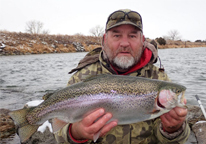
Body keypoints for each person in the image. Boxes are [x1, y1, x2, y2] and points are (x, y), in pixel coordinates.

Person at [55, 9, 190, 144]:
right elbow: (58, 132)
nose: (124, 43)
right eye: (117, 36)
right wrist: (76, 133)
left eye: (132, 36)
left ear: (142, 40)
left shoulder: (158, 78)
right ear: (104, 40)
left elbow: (176, 141)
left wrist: (173, 129)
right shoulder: (82, 77)